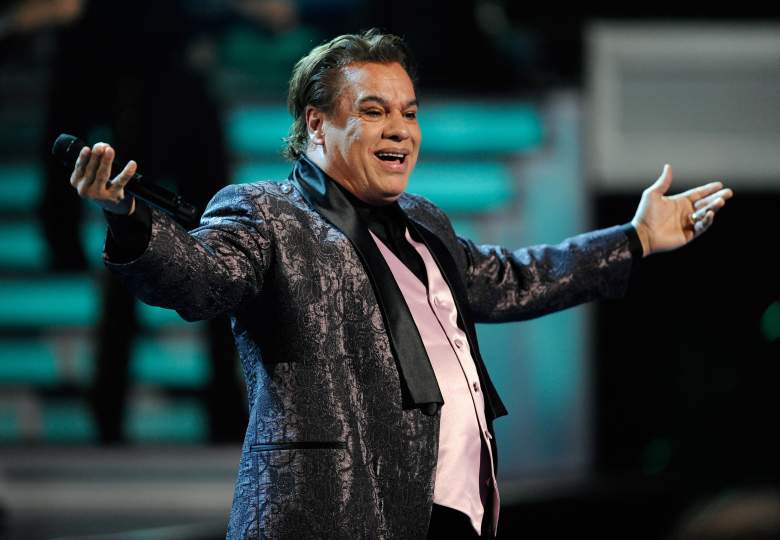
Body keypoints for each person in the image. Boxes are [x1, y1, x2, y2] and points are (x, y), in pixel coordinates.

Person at [65, 29, 732, 539]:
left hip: (449, 508)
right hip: (331, 515)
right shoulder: (265, 211)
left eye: (409, 113)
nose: (399, 131)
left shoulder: (422, 222)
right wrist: (130, 223)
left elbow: (507, 280)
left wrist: (635, 239)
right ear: (317, 125)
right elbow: (202, 278)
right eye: (376, 110)